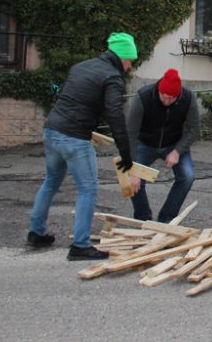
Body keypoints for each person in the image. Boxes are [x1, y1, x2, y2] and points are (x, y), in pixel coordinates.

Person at [27, 32, 139, 261]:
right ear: (123, 57)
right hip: (75, 137)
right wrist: (126, 153)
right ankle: (80, 245)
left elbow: (64, 95)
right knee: (88, 189)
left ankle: (36, 232)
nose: (129, 67)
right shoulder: (112, 77)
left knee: (50, 182)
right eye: (130, 61)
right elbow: (115, 115)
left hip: (52, 130)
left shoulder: (81, 67)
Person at [126, 68, 200, 224]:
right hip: (144, 143)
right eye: (164, 96)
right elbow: (130, 133)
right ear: (159, 90)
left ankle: (166, 219)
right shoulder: (143, 97)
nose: (167, 101)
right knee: (130, 178)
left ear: (178, 95)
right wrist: (132, 170)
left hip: (173, 143)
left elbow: (194, 129)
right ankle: (143, 219)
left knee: (187, 176)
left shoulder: (187, 98)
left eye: (172, 98)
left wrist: (177, 151)